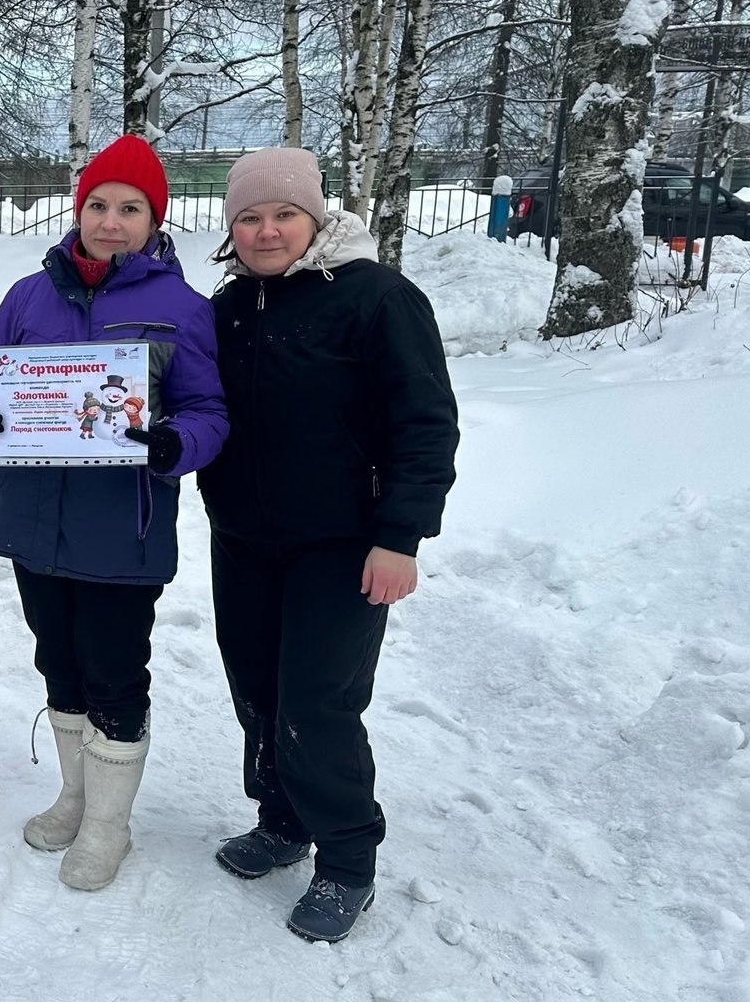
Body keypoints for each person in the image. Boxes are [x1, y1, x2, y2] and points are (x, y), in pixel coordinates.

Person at [198, 147, 460, 943]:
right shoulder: (232, 306)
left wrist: (400, 537)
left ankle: (348, 860)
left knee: (318, 703)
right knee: (259, 691)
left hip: (343, 546)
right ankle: (282, 820)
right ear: (232, 227)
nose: (266, 230)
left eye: (283, 214)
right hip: (243, 537)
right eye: (249, 216)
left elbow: (426, 423)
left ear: (317, 218)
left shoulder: (377, 298)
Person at [0, 134, 229, 891]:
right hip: (34, 522)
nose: (110, 222)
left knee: (114, 674)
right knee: (59, 663)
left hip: (124, 529)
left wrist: (174, 443)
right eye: (98, 205)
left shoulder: (182, 309)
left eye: (130, 209)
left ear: (155, 219)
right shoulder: (27, 296)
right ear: (79, 209)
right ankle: (75, 798)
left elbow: (210, 410)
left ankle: (110, 825)